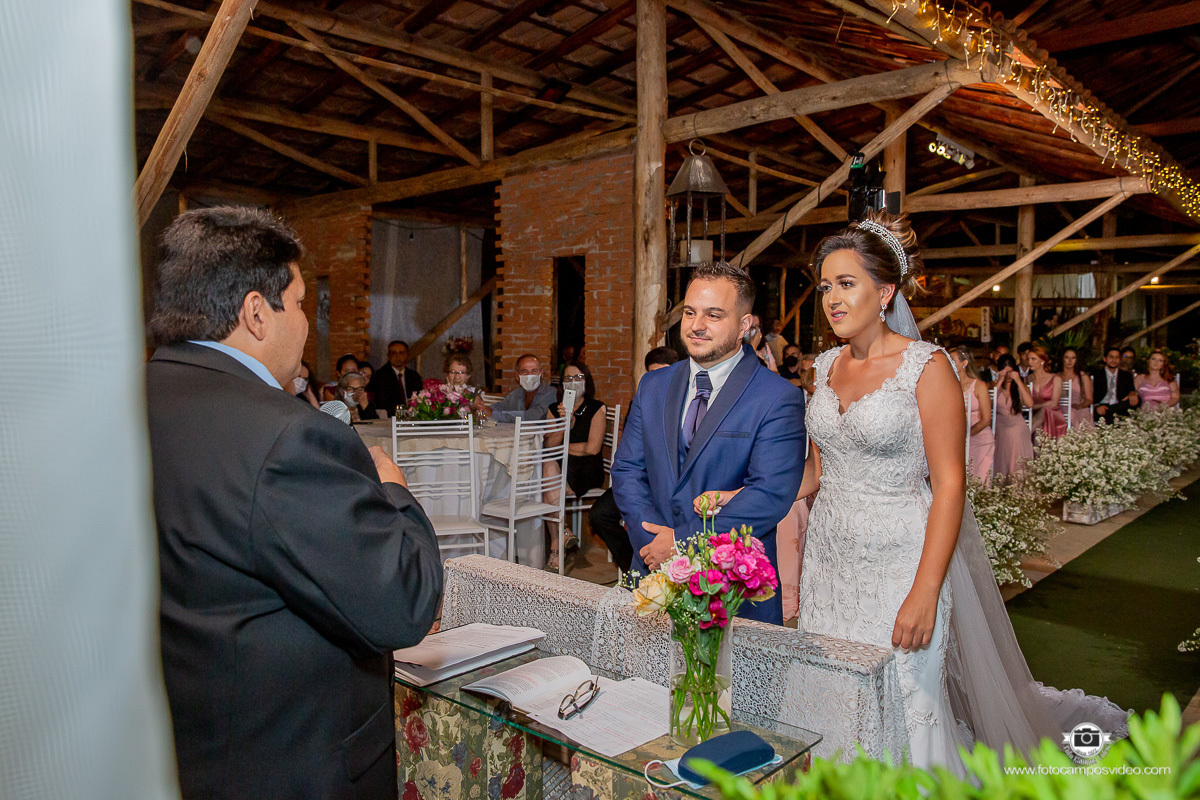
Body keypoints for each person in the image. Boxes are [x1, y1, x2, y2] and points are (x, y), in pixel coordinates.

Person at [696, 211, 1127, 775]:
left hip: (900, 561)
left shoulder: (927, 368)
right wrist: (742, 497)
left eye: (846, 283)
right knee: (834, 694)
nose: (831, 299)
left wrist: (925, 590)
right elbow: (816, 472)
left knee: (905, 700)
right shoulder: (823, 368)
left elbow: (950, 485)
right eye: (824, 287)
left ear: (885, 292)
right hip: (830, 560)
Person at [145, 207, 443, 800]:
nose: (307, 323)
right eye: (302, 303)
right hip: (290, 760)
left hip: (183, 744)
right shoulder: (288, 437)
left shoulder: (134, 397)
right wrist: (393, 489)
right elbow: (405, 603)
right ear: (257, 313)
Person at [611, 261, 806, 625]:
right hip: (653, 573)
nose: (696, 325)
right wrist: (652, 541)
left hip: (732, 587)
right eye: (690, 312)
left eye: (713, 315)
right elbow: (627, 470)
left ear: (745, 325)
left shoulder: (777, 397)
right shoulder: (653, 386)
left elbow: (769, 496)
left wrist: (681, 543)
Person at [587, 347, 681, 573]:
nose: (659, 380)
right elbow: (629, 454)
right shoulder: (643, 400)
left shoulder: (684, 403)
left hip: (670, 481)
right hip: (641, 477)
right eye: (652, 374)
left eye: (664, 373)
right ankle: (634, 566)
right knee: (599, 514)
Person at [543, 363, 607, 571]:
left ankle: (558, 544)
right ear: (562, 384)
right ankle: (561, 539)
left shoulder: (597, 407)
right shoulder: (555, 409)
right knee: (548, 467)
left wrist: (563, 448)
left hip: (587, 468)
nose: (573, 382)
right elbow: (549, 445)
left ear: (586, 381)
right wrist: (565, 425)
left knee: (545, 482)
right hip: (559, 467)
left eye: (578, 377)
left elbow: (593, 448)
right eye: (568, 378)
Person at [951, 346, 995, 483]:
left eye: (953, 360)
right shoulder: (949, 385)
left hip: (979, 437)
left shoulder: (979, 385)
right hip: (957, 438)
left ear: (964, 363)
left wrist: (967, 435)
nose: (949, 363)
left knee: (979, 479)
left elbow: (986, 419)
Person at [993, 353, 1036, 477]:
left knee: (1014, 433)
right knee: (1005, 433)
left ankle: (1015, 475)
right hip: (1000, 423)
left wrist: (1018, 381)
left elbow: (1029, 404)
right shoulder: (994, 385)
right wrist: (999, 381)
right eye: (1005, 372)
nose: (1008, 375)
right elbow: (989, 402)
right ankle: (1002, 476)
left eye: (1010, 372)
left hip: (1016, 422)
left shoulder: (1020, 386)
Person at [489, 353, 557, 423]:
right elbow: (502, 406)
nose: (529, 375)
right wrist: (486, 410)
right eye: (524, 371)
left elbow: (533, 416)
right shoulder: (517, 393)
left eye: (534, 371)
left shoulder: (551, 393)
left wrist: (494, 414)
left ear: (541, 373)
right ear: (517, 376)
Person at [368, 340, 423, 417]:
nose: (398, 356)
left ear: (406, 355)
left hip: (413, 415)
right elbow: (382, 402)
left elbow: (419, 398)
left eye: (401, 353)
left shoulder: (414, 376)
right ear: (388, 356)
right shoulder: (381, 375)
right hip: (391, 417)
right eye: (394, 353)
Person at [1091, 346, 1140, 425]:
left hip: (1119, 406)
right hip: (1102, 406)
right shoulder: (1096, 374)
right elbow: (1091, 394)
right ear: (1104, 359)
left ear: (1119, 360)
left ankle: (1110, 410)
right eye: (1111, 357)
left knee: (1136, 400)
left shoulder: (1126, 375)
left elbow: (1131, 391)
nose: (1114, 360)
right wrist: (1096, 406)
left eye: (1116, 357)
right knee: (1106, 413)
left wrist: (1132, 393)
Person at [1027, 345, 1066, 439]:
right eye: (1028, 359)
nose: (1029, 362)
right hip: (1034, 415)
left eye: (1033, 359)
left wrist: (1035, 406)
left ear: (1042, 361)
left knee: (1044, 410)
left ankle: (1026, 433)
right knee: (1040, 426)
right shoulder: (1027, 379)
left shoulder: (1055, 379)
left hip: (1053, 415)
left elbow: (1054, 402)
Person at [1059, 348, 1093, 429]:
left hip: (1078, 409)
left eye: (1073, 358)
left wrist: (1079, 406)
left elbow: (1089, 399)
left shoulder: (1083, 377)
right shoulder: (1056, 376)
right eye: (1067, 357)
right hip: (1060, 409)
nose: (1070, 361)